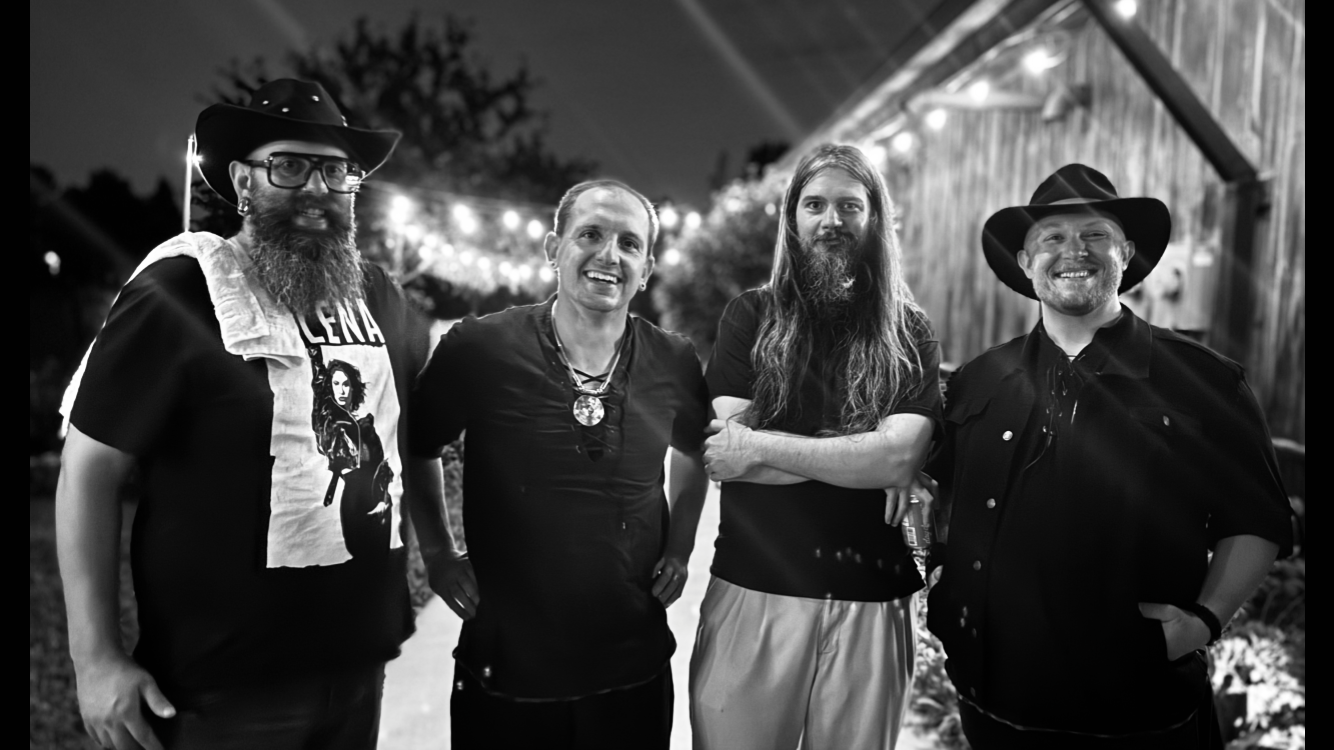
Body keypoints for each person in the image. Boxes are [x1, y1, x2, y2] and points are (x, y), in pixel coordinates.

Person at [57, 79, 424, 750]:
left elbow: (414, 435)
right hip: (225, 691)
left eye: (336, 171)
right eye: (289, 166)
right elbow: (88, 470)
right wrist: (95, 658)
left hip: (358, 669)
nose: (316, 187)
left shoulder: (379, 296)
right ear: (242, 180)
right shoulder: (183, 289)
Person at [923, 164, 1294, 748]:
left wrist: (1203, 622)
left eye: (1095, 234)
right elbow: (939, 489)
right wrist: (940, 568)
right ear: (1025, 262)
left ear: (1126, 253)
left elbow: (1257, 521)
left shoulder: (1203, 380)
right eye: (1053, 237)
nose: (1075, 251)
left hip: (1137, 706)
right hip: (990, 699)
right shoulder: (979, 377)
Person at [406, 179, 711, 749]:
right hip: (506, 668)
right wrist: (439, 555)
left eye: (629, 243)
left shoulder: (673, 360)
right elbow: (419, 445)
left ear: (646, 269)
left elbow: (694, 451)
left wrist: (680, 546)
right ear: (554, 249)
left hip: (632, 664)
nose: (609, 255)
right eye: (590, 235)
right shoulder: (480, 347)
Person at [691, 143, 942, 750]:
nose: (832, 220)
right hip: (754, 588)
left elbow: (897, 457)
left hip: (874, 600)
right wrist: (866, 457)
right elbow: (731, 457)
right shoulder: (750, 316)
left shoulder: (909, 331)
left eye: (850, 206)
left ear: (875, 218)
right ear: (792, 218)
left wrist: (765, 446)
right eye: (815, 205)